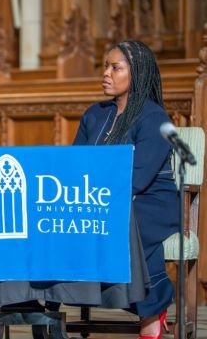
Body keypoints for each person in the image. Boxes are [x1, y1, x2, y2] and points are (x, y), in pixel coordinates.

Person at [73, 40, 178, 339]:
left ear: (138, 74)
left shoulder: (154, 118)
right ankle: (53, 305)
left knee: (124, 223)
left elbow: (139, 178)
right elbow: (76, 163)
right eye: (105, 66)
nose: (106, 73)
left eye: (115, 67)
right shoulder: (94, 114)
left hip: (150, 201)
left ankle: (151, 309)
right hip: (101, 197)